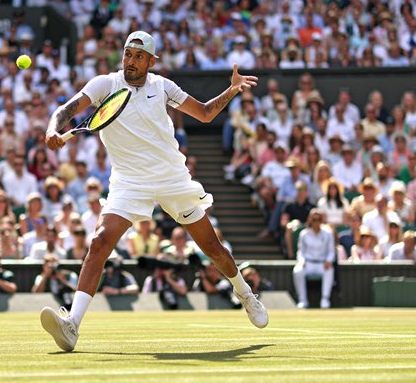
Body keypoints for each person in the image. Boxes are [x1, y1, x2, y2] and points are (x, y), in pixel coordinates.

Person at [41, 31, 267, 352]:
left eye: (138, 56)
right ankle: (72, 325)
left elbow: (204, 113)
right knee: (100, 241)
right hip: (129, 180)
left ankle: (245, 293)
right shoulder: (105, 84)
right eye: (127, 54)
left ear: (150, 61)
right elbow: (66, 110)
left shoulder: (163, 87)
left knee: (212, 247)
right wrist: (53, 129)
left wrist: (231, 91)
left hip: (171, 176)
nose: (130, 61)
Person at [292, 209, 335, 309]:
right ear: (310, 220)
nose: (316, 222)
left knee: (329, 270)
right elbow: (300, 251)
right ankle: (303, 300)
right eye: (314, 219)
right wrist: (302, 261)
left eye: (318, 219)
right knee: (297, 271)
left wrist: (329, 261)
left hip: (322, 264)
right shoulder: (304, 234)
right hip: (308, 264)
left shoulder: (328, 234)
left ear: (321, 220)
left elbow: (331, 251)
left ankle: (325, 299)